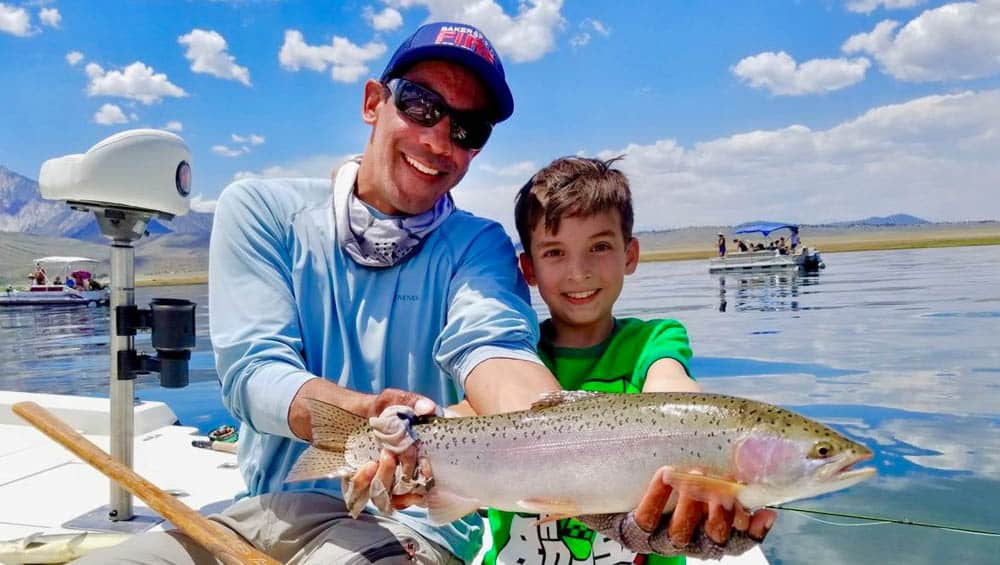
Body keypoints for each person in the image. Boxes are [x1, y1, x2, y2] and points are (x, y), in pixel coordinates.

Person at [78, 21, 770, 565]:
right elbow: (253, 373)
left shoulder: (479, 246)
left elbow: (495, 353)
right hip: (273, 510)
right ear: (373, 102)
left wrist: (603, 499)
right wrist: (361, 418)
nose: (441, 138)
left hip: (416, 522)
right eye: (422, 106)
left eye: (466, 129)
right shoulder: (261, 208)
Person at [478, 156, 703, 564]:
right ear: (527, 267)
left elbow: (673, 391)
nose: (578, 272)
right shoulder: (511, 356)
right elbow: (468, 414)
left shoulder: (655, 339)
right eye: (554, 252)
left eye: (599, 247)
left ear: (629, 254)